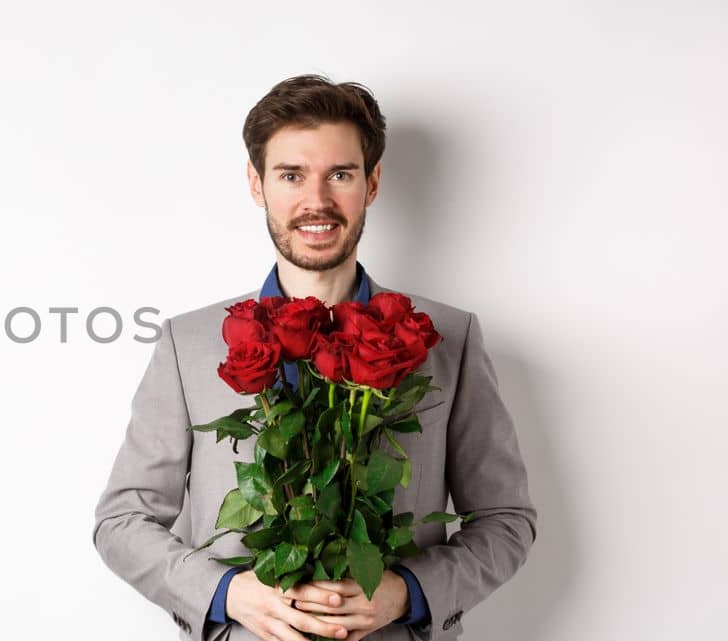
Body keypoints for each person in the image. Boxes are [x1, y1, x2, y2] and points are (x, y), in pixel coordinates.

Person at [91, 75, 537, 641]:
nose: (317, 201)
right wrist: (227, 595)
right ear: (257, 184)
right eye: (291, 175)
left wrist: (406, 593)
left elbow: (506, 520)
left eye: (340, 175)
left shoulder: (449, 337)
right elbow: (122, 521)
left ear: (372, 183)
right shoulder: (189, 343)